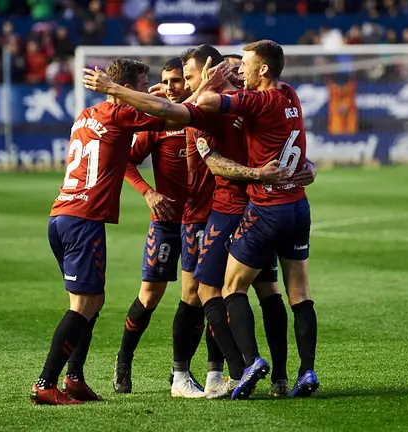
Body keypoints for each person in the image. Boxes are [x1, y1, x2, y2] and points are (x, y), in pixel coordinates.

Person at [81, 40, 320, 400]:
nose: (180, 84)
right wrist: (148, 190)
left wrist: (301, 167)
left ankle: (242, 373)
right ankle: (179, 369)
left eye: (185, 77)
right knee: (187, 294)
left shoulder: (233, 104)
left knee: (225, 291)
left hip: (233, 210)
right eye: (175, 79)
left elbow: (258, 142)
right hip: (212, 213)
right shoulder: (257, 100)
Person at [34, 58, 193, 405]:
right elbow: (175, 114)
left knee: (91, 302)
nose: (148, 87)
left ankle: (74, 378)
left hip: (60, 216)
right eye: (144, 82)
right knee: (84, 304)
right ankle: (46, 383)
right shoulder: (124, 115)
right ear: (127, 88)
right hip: (83, 220)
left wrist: (137, 95)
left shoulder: (87, 115)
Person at [186, 46, 317, 397]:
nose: (240, 70)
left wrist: (210, 85)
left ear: (262, 70)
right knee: (294, 292)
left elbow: (205, 105)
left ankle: (250, 363)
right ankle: (303, 373)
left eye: (244, 65)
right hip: (297, 207)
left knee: (230, 288)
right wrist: (309, 167)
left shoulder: (257, 102)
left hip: (261, 208)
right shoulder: (289, 94)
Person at [112, 56, 217, 398]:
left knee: (199, 297)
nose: (171, 87)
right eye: (166, 81)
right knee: (150, 295)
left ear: (188, 82)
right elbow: (126, 161)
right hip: (166, 223)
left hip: (201, 220)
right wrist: (148, 192)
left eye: (177, 81)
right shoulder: (157, 122)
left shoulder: (199, 117)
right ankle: (124, 358)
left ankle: (180, 373)